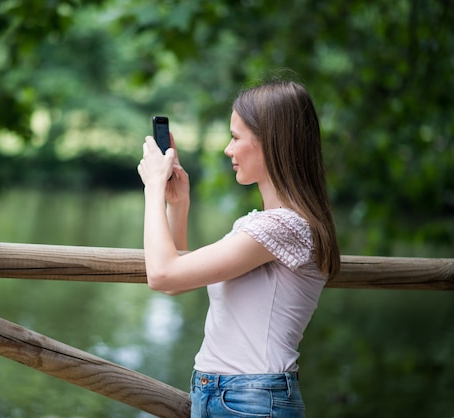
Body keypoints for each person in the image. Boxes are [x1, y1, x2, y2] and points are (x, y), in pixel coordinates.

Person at [137, 79, 340, 418]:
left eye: (235, 137)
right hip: (226, 395)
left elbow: (161, 275)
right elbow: (176, 282)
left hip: (251, 399)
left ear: (271, 143)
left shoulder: (284, 227)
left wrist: (153, 188)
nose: (228, 150)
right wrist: (178, 203)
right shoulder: (255, 225)